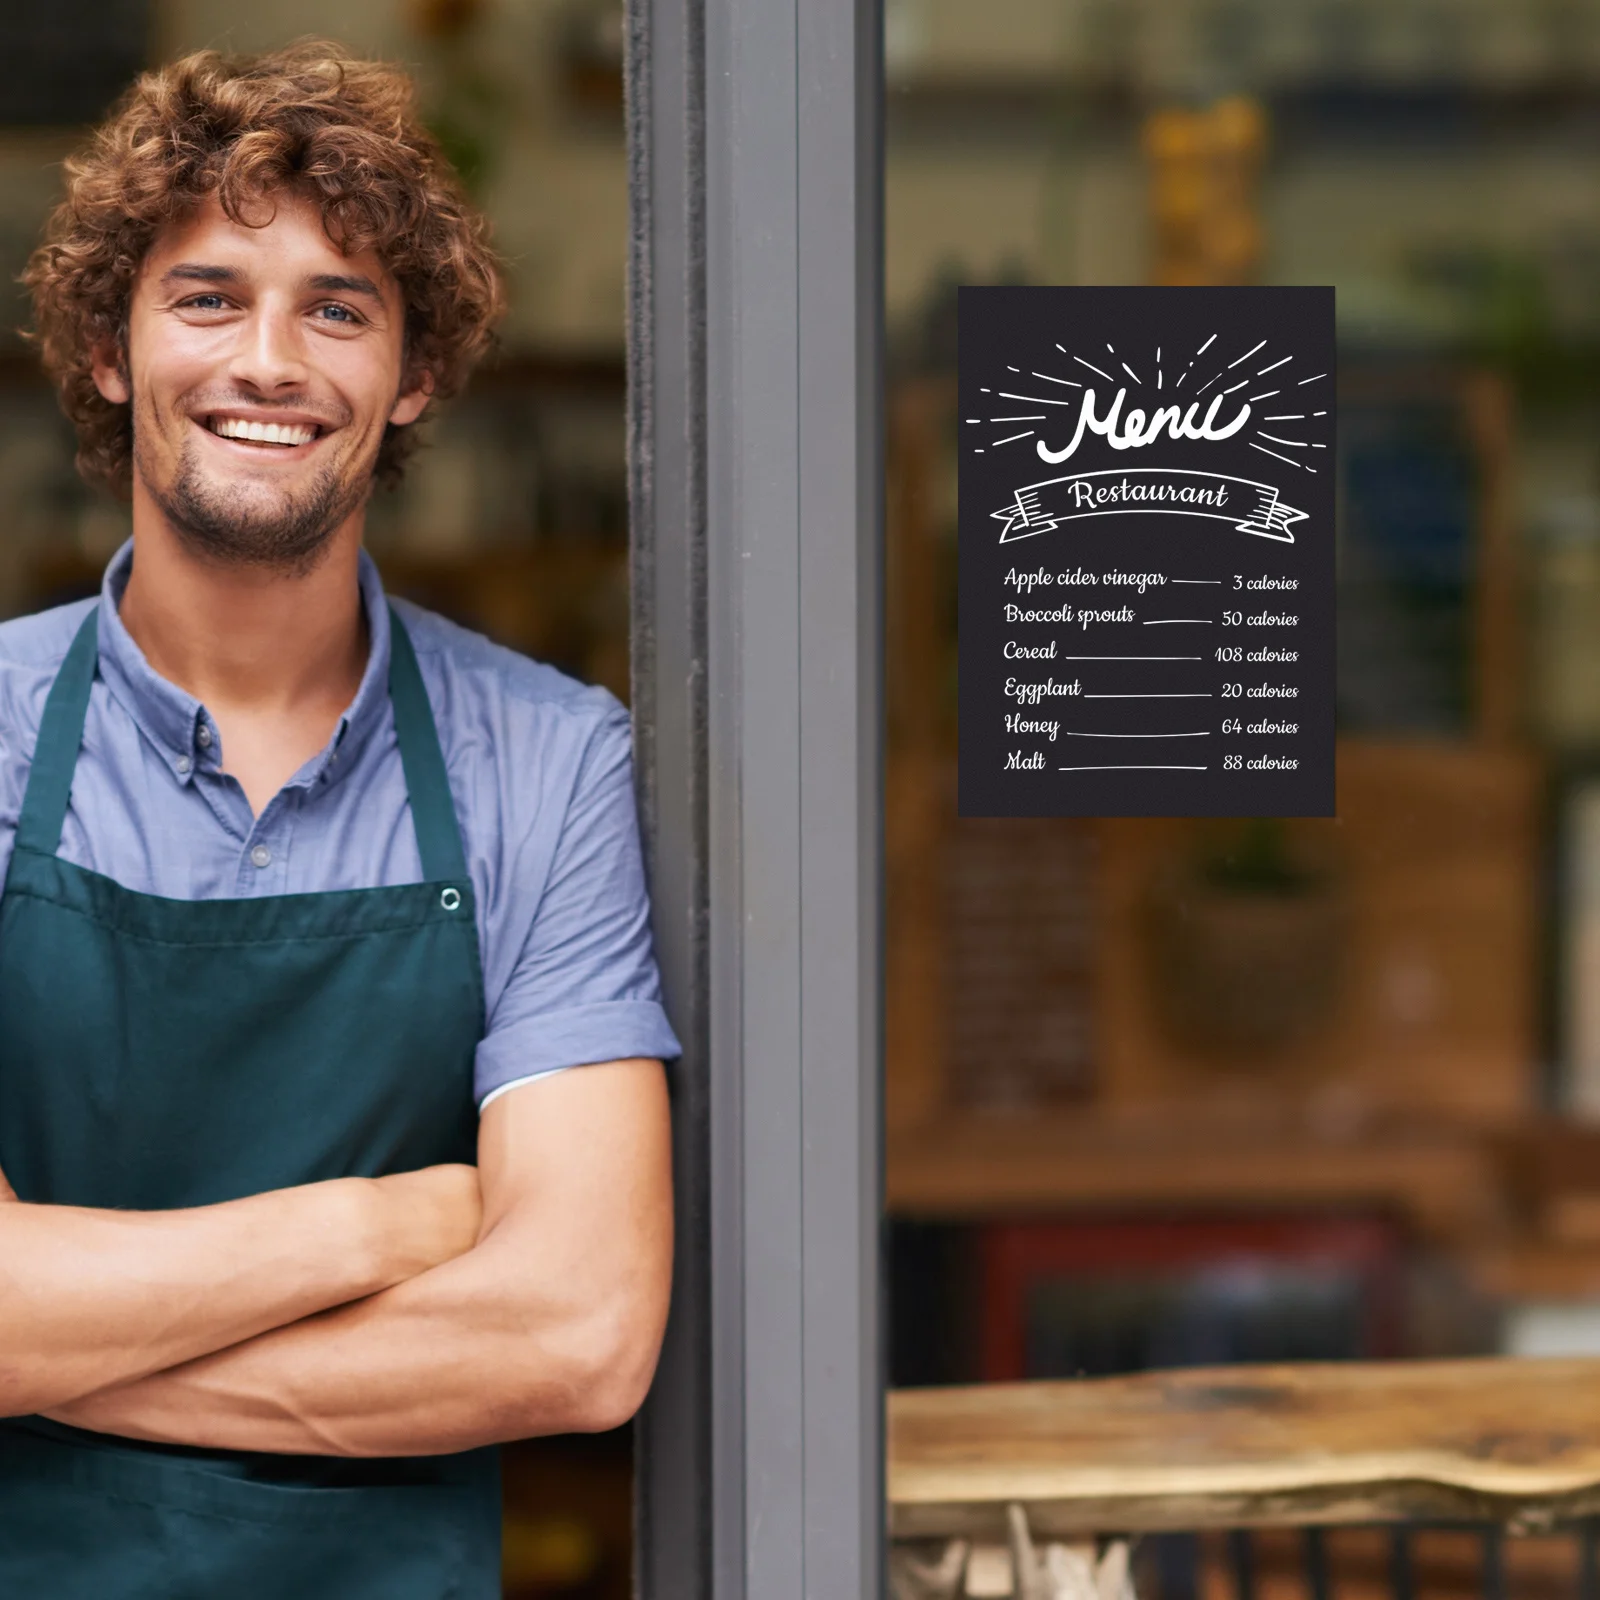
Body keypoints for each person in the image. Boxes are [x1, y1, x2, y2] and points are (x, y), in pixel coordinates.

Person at [0, 40, 678, 1598]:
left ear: (413, 373)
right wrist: (374, 1228)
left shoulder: (549, 762)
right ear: (109, 348)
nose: (270, 360)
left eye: (339, 309)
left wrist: (57, 1355)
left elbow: (576, 1338)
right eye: (209, 296)